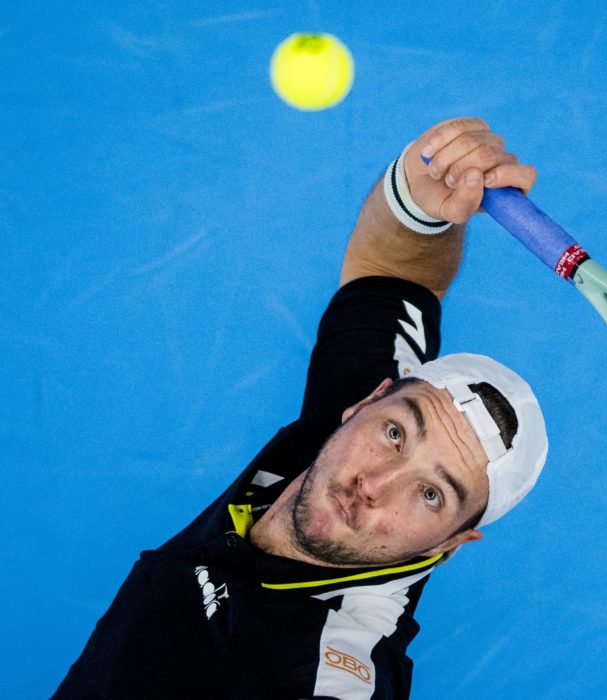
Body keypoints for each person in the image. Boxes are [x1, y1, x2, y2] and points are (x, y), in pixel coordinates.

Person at [54, 117, 547, 699]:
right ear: (364, 402)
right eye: (394, 433)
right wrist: (423, 199)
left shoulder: (325, 674)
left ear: (446, 546)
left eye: (431, 494)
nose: (376, 484)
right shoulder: (337, 438)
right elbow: (395, 272)